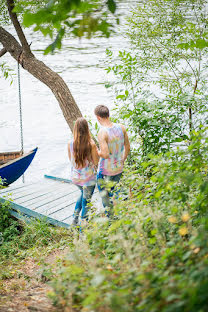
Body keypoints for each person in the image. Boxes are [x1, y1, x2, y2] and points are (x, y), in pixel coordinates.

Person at [94, 105, 130, 216]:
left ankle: (112, 221)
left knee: (106, 199)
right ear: (108, 114)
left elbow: (104, 154)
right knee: (117, 194)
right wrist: (122, 159)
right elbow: (127, 146)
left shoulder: (102, 132)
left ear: (98, 117)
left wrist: (96, 150)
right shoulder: (121, 127)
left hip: (106, 172)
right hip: (119, 168)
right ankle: (121, 216)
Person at [68, 117, 99, 226]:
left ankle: (74, 219)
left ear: (75, 129)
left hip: (75, 178)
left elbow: (71, 160)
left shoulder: (70, 143)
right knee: (86, 202)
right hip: (88, 180)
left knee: (82, 193)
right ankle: (82, 231)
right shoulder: (91, 144)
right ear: (87, 129)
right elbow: (96, 162)